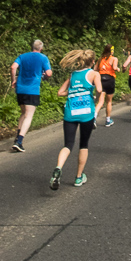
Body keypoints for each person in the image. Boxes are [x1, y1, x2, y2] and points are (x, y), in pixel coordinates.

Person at [50, 50, 103, 189]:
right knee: (83, 144)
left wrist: (74, 91)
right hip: (86, 114)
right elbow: (99, 89)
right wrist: (94, 95)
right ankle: (78, 177)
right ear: (92, 62)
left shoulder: (72, 75)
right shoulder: (94, 74)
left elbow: (60, 92)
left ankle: (58, 168)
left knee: (68, 145)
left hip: (70, 113)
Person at [10, 39, 52, 152]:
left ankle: (16, 138)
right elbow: (48, 73)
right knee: (29, 115)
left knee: (23, 113)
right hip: (32, 89)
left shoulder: (22, 56)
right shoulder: (43, 58)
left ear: (31, 47)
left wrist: (13, 80)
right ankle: (19, 141)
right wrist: (44, 77)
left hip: (20, 89)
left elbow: (13, 67)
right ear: (41, 48)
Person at [95, 45, 119, 127]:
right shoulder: (114, 59)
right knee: (109, 101)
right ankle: (108, 120)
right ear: (112, 51)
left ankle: (93, 118)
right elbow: (115, 68)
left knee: (100, 101)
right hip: (110, 80)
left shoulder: (100, 58)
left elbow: (95, 69)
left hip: (101, 79)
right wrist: (118, 69)